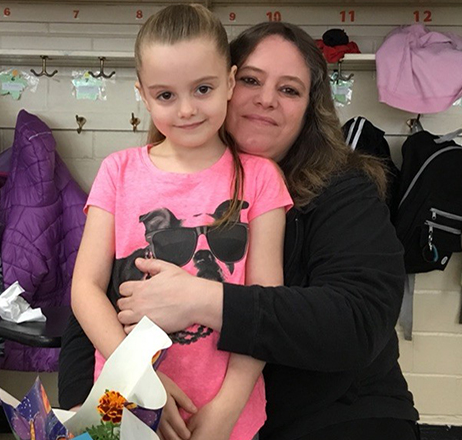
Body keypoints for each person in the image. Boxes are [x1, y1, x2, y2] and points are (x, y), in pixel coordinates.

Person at [59, 22, 420, 440]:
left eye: (289, 90)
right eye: (252, 80)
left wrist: (200, 300)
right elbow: (89, 299)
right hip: (148, 407)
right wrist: (88, 407)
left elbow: (358, 321)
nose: (266, 99)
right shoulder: (127, 172)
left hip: (333, 413)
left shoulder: (337, 189)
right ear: (231, 82)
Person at [70, 5, 292, 440]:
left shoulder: (262, 178)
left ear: (229, 83)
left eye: (203, 89)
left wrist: (227, 410)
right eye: (166, 95)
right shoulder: (118, 171)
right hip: (126, 397)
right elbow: (84, 288)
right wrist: (138, 375)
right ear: (143, 94)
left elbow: (267, 305)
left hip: (227, 413)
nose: (187, 109)